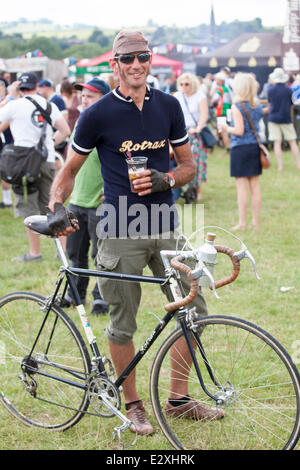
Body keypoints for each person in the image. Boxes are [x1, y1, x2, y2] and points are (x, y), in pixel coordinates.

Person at [48, 30, 224, 435]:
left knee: (193, 312)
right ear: (115, 65)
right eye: (127, 59)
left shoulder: (168, 105)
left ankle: (178, 400)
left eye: (142, 57)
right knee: (121, 322)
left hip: (164, 225)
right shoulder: (97, 114)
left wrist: (163, 180)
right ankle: (133, 405)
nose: (136, 65)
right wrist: (56, 205)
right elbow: (69, 170)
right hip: (119, 227)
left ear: (150, 59)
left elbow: (188, 166)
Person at [0, 72, 70, 262]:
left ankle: (35, 252)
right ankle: (62, 251)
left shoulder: (14, 105)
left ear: (19, 87)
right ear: (36, 85)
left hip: (22, 163)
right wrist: (49, 144)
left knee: (28, 207)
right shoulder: (49, 105)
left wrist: (10, 96)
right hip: (46, 159)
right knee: (54, 205)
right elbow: (65, 131)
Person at [61, 78, 110, 315]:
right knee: (75, 254)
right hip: (77, 199)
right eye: (82, 94)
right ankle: (75, 294)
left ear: (103, 98)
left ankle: (101, 298)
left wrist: (112, 189)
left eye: (90, 95)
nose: (84, 97)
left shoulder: (110, 125)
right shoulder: (81, 122)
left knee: (102, 255)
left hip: (100, 203)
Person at [221, 72, 265, 230]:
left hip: (240, 148)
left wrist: (226, 128)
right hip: (254, 146)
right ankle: (256, 222)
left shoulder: (237, 106)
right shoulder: (257, 105)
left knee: (241, 187)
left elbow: (238, 130)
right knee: (255, 185)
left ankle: (242, 222)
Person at [174, 72, 209, 200]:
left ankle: (198, 189)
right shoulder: (177, 96)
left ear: (192, 84)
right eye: (181, 84)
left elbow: (204, 114)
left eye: (186, 84)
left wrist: (198, 128)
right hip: (180, 133)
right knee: (178, 161)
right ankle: (179, 187)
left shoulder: (200, 96)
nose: (184, 86)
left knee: (196, 162)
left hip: (195, 133)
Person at [267, 67, 300, 171]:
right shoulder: (288, 90)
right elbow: (291, 106)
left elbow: (269, 105)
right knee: (292, 141)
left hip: (273, 118)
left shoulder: (270, 90)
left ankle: (280, 166)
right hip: (286, 118)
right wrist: (290, 117)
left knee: (277, 142)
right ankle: (298, 164)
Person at [38, 79, 69, 157]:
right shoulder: (47, 100)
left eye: (40, 88)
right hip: (52, 135)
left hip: (58, 136)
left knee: (57, 159)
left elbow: (65, 117)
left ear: (46, 87)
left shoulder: (57, 99)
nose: (39, 90)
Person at [0, 77, 13, 208]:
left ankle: (8, 200)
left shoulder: (10, 101)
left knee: (5, 171)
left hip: (7, 142)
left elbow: (8, 120)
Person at [211, 71, 231, 150]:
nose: (216, 81)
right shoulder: (226, 88)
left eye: (217, 79)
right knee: (219, 129)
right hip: (227, 110)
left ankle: (228, 148)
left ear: (221, 80)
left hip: (221, 111)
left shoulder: (220, 89)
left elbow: (214, 100)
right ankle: (215, 145)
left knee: (223, 130)